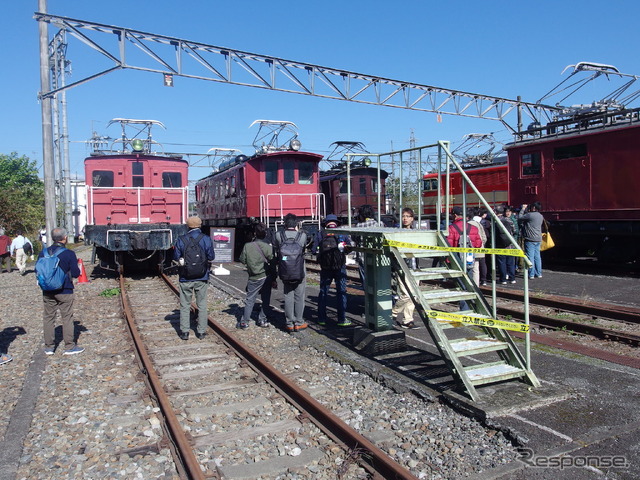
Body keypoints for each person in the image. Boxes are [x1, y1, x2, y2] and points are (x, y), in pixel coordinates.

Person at [36, 227, 83, 355]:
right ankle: (69, 347)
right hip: (65, 290)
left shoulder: (43, 253)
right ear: (65, 238)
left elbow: (38, 271)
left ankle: (49, 347)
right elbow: (75, 273)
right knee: (67, 317)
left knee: (48, 317)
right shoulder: (69, 253)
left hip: (47, 291)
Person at [173, 216, 215, 340]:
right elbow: (211, 256)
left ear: (188, 226)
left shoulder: (181, 239)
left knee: (185, 305)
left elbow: (176, 257)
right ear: (200, 225)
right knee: (201, 304)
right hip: (202, 277)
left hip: (185, 277)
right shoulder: (206, 239)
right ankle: (201, 332)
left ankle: (185, 332)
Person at [312, 214, 354, 327]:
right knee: (341, 292)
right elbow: (349, 249)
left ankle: (321, 318)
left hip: (325, 268)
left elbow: (313, 250)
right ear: (336, 223)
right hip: (340, 267)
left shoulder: (321, 234)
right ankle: (341, 319)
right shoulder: (342, 233)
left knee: (323, 292)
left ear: (326, 223)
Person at [274, 213, 308, 333]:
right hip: (299, 270)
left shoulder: (279, 235)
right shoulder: (302, 236)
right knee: (299, 296)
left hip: (285, 269)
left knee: (288, 295)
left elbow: (276, 248)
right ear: (296, 224)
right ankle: (299, 322)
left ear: (284, 223)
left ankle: (289, 323)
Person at [238, 222, 274, 329]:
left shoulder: (247, 246)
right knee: (266, 299)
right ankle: (262, 319)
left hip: (254, 277)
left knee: (250, 299)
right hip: (266, 275)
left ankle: (245, 322)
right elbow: (273, 262)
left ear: (254, 233)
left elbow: (242, 260)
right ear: (265, 234)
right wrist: (274, 277)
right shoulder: (268, 247)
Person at [447, 206, 483, 311]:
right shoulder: (473, 228)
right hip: (469, 260)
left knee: (461, 286)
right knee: (469, 284)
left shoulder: (451, 228)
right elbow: (478, 244)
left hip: (457, 261)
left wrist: (448, 261)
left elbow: (449, 246)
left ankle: (465, 310)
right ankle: (471, 306)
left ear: (455, 215)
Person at [392, 208, 418, 328]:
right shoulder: (397, 232)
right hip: (402, 266)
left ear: (412, 218)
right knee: (406, 294)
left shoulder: (416, 232)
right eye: (403, 216)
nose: (405, 218)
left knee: (414, 295)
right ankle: (393, 313)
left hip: (414, 267)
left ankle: (408, 319)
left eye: (408, 216)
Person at [354, 204, 384, 287]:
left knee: (366, 281)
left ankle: (368, 298)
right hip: (378, 257)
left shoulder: (358, 226)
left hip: (362, 257)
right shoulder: (379, 224)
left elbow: (354, 239)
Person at [519, 202, 545, 279]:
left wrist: (523, 209)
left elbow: (520, 217)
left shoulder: (530, 215)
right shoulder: (540, 216)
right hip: (538, 238)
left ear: (533, 207)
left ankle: (531, 274)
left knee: (530, 257)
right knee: (537, 257)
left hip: (530, 239)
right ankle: (539, 273)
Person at [494, 206, 516, 285]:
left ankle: (503, 279)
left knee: (501, 262)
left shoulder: (495, 221)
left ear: (496, 212)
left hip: (500, 245)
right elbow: (514, 230)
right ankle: (512, 278)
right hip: (510, 244)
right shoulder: (508, 220)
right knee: (511, 262)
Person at [468, 208, 487, 287]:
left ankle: (469, 285)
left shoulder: (467, 224)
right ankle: (477, 285)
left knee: (470, 268)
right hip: (479, 248)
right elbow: (484, 237)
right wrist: (481, 244)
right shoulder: (479, 224)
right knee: (476, 268)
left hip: (469, 249)